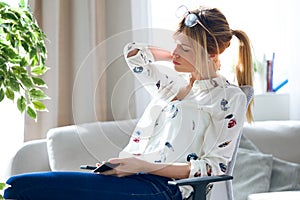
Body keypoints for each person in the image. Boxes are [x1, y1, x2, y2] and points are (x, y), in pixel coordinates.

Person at [4, 5, 253, 200]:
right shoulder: (172, 83)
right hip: (132, 178)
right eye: (175, 43)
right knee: (17, 187)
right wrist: (181, 53)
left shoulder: (229, 98)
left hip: (167, 190)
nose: (175, 52)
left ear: (212, 54)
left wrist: (142, 166)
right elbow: (134, 54)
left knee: (20, 188)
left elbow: (212, 169)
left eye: (185, 49)